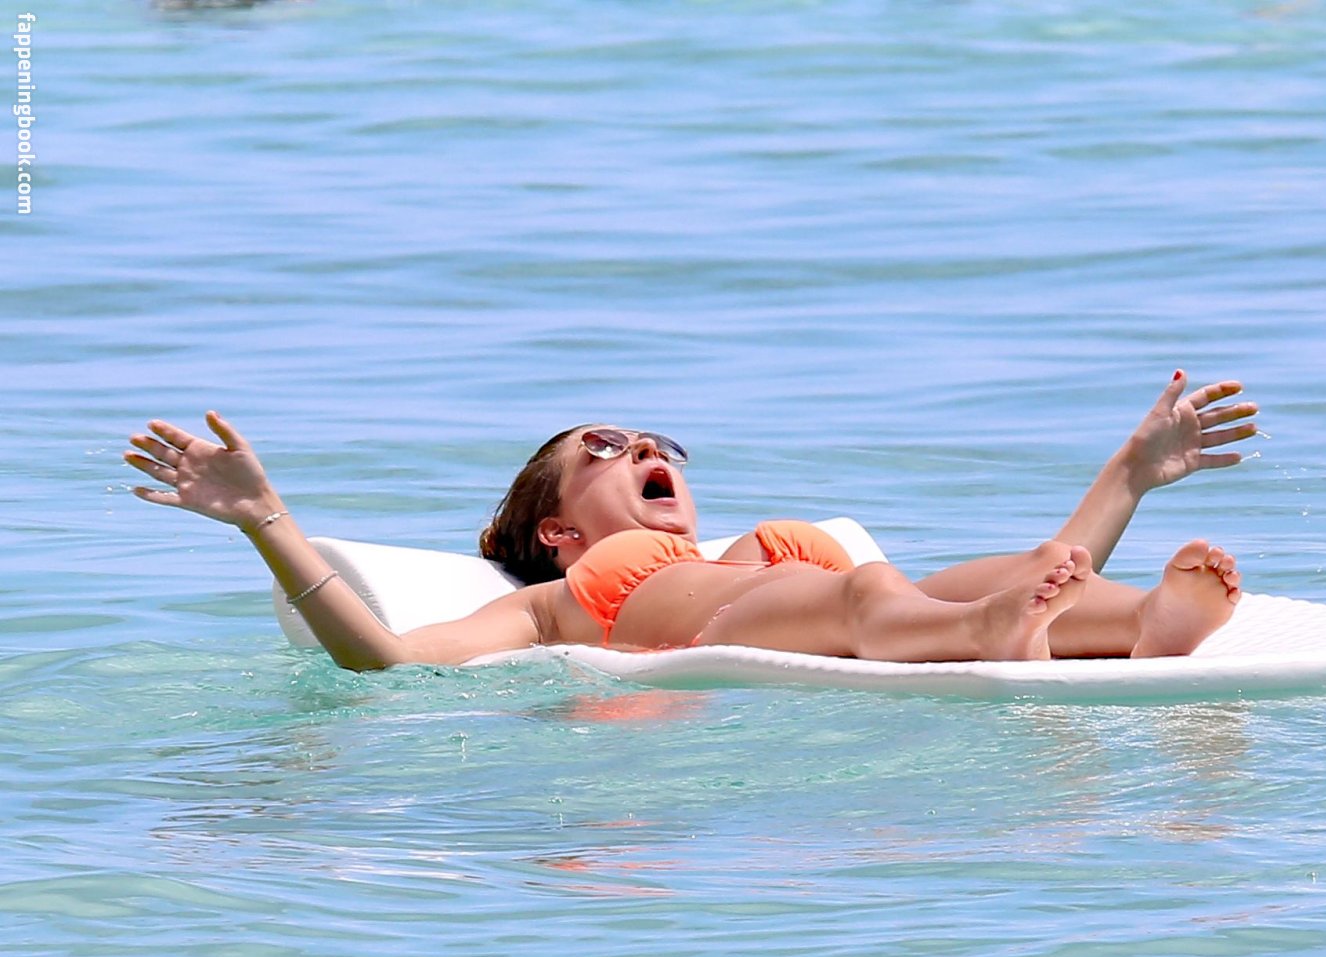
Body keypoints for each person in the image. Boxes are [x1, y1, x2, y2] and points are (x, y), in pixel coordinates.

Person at [125, 371, 1256, 671]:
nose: (645, 451)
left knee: (1017, 566)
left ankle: (1142, 624)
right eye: (603, 448)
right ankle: (995, 636)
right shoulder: (551, 605)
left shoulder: (747, 545)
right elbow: (384, 660)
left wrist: (1129, 473)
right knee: (870, 589)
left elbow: (1042, 568)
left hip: (840, 602)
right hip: (764, 623)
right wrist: (264, 520)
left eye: (657, 441)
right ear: (557, 531)